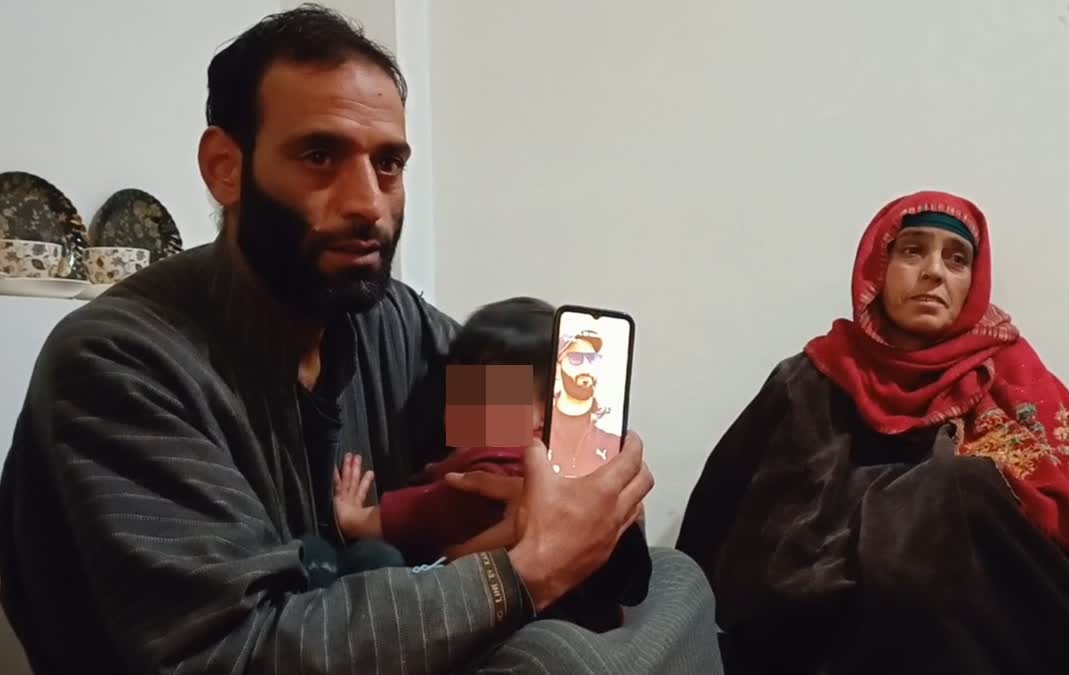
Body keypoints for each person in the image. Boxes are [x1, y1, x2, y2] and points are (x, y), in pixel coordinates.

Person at [0, 6, 721, 674]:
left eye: (389, 163)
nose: (367, 203)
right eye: (320, 156)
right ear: (227, 167)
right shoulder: (116, 363)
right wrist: (527, 567)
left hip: (396, 628)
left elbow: (504, 442)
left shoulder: (389, 321)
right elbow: (233, 650)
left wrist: (575, 483)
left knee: (679, 578)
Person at [676, 190, 1069, 674]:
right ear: (879, 265)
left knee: (963, 489)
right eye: (913, 251)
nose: (934, 271)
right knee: (955, 488)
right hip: (826, 628)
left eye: (957, 260)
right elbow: (720, 527)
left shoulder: (1012, 381)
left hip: (975, 630)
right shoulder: (809, 379)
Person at [332, 296, 651, 631]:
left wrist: (359, 519)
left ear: (547, 412)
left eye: (492, 394)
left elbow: (432, 510)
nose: (463, 406)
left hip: (541, 620)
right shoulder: (571, 457)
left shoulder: (500, 461)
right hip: (581, 615)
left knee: (368, 561)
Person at [548, 331, 623, 476]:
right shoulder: (537, 431)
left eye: (592, 359)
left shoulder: (614, 441)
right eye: (576, 358)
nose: (586, 367)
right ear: (557, 369)